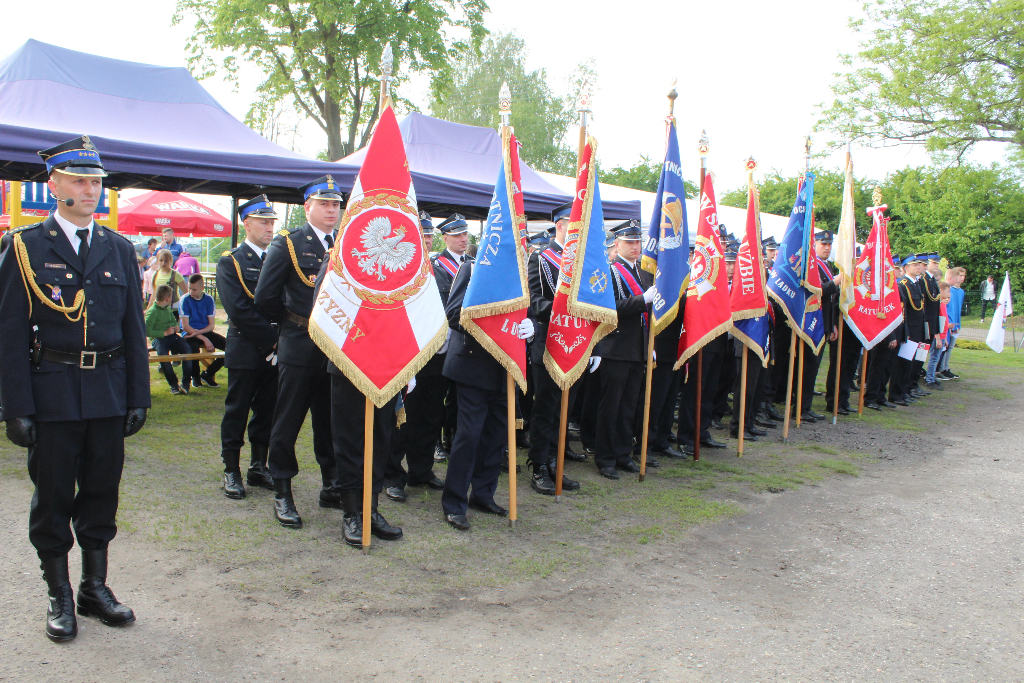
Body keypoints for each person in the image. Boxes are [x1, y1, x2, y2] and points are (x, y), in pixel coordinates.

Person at [0, 136, 149, 642]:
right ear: (54, 185)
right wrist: (14, 406)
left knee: (103, 491)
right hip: (53, 392)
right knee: (55, 495)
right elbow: (10, 334)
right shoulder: (24, 247)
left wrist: (138, 396)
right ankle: (58, 592)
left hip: (107, 390)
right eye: (81, 180)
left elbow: (133, 329)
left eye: (97, 181)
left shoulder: (119, 248)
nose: (91, 189)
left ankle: (94, 586)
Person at [254, 175, 343, 528]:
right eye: (324, 203)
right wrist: (292, 325)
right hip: (299, 345)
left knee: (330, 421)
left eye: (336, 204)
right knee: (287, 422)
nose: (331, 210)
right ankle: (282, 490)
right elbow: (265, 297)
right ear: (308, 207)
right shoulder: (289, 243)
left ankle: (331, 485)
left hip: (334, 349)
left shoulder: (345, 242)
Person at [440, 261, 534, 530]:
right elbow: (453, 314)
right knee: (469, 435)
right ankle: (454, 502)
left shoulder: (521, 277)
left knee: (496, 436)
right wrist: (494, 326)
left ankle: (483, 494)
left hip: (505, 370)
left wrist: (531, 329)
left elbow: (526, 314)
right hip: (472, 367)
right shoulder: (473, 269)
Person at [215, 195, 280, 499]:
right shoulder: (232, 261)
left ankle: (258, 465)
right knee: (237, 411)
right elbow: (239, 309)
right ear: (247, 224)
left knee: (267, 411)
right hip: (247, 348)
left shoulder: (278, 257)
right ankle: (231, 469)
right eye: (263, 222)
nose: (269, 228)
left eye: (271, 222)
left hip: (276, 352)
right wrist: (273, 339)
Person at [383, 211, 447, 502]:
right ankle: (392, 475)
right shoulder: (397, 269)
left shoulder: (437, 268)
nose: (427, 239)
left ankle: (421, 470)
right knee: (401, 418)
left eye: (430, 235)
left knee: (430, 416)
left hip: (434, 354)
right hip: (404, 354)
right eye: (422, 234)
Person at [591, 221, 656, 479]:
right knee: (611, 407)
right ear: (616, 245)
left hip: (637, 347)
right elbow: (609, 307)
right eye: (629, 242)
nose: (635, 246)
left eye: (637, 242)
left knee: (629, 406)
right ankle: (605, 458)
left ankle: (622, 453)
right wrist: (642, 300)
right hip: (614, 348)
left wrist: (649, 345)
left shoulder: (644, 274)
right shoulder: (608, 272)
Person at [526, 201, 582, 495]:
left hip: (575, 344)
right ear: (560, 226)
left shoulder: (580, 260)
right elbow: (534, 302)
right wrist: (565, 311)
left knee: (565, 409)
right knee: (545, 409)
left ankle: (555, 463)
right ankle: (539, 467)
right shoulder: (541, 258)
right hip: (548, 341)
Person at [431, 214, 473, 463]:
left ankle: (452, 438)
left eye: (465, 234)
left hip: (464, 341)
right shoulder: (436, 266)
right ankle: (436, 442)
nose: (463, 239)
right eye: (457, 235)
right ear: (445, 237)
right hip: (441, 340)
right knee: (437, 396)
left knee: (458, 399)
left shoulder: (475, 264)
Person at [180, 273, 225, 388]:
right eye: (189, 288)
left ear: (202, 288)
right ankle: (195, 377)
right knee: (193, 349)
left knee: (231, 347)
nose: (191, 292)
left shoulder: (209, 299)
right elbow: (185, 326)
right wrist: (203, 338)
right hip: (189, 333)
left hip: (204, 331)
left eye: (194, 289)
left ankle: (208, 374)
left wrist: (202, 334)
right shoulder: (184, 299)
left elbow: (211, 326)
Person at [147, 284, 193, 395]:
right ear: (167, 298)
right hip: (159, 339)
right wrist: (164, 333)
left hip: (172, 337)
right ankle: (173, 384)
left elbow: (173, 321)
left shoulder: (167, 309)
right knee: (164, 357)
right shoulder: (152, 311)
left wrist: (176, 327)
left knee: (187, 350)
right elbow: (146, 331)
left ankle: (186, 383)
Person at [938, 267, 964, 380]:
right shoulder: (948, 291)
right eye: (960, 276)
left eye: (963, 276)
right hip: (947, 324)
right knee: (944, 347)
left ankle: (945, 368)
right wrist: (948, 324)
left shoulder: (961, 292)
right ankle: (939, 369)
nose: (961, 278)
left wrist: (958, 324)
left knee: (949, 347)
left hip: (954, 324)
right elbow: (945, 309)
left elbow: (958, 309)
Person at [925, 280, 952, 389]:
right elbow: (937, 322)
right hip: (938, 337)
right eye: (947, 291)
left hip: (942, 336)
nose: (949, 294)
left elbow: (943, 322)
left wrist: (944, 337)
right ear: (941, 291)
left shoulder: (943, 305)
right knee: (934, 358)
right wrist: (938, 338)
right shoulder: (938, 305)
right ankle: (929, 379)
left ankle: (931, 377)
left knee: (936, 358)